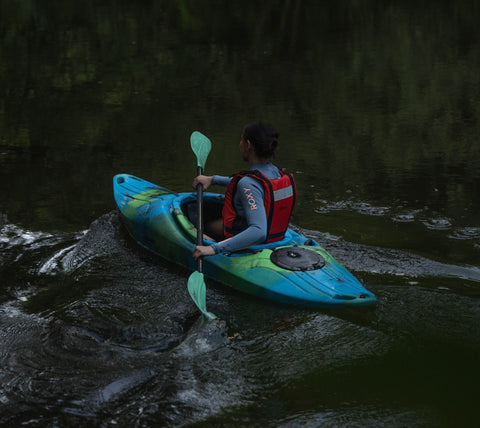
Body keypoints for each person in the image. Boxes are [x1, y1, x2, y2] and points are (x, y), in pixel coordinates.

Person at [192, 121, 296, 261]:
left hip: (255, 242)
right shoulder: (276, 173)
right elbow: (252, 187)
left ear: (248, 145)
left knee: (202, 224)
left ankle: (210, 241)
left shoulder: (248, 183)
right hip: (277, 238)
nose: (239, 145)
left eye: (240, 140)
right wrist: (212, 179)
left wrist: (213, 249)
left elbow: (258, 232)